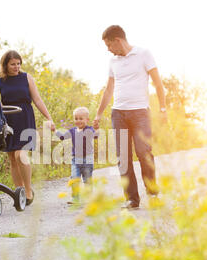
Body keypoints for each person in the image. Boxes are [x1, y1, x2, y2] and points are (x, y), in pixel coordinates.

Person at [93, 25, 167, 210]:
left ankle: (153, 194)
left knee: (144, 152)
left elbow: (158, 83)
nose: (108, 49)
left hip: (140, 112)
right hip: (118, 113)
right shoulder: (113, 62)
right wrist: (98, 114)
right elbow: (108, 89)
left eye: (109, 45)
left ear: (118, 40)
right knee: (123, 158)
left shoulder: (144, 54)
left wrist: (163, 109)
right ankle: (132, 199)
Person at [0, 50, 55, 205]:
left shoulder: (27, 77)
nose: (16, 67)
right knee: (13, 158)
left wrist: (49, 118)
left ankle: (28, 191)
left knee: (21, 155)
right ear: (5, 65)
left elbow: (37, 99)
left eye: (18, 64)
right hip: (8, 119)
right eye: (13, 64)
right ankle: (18, 192)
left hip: (25, 117)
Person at [56, 107, 99, 203]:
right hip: (75, 160)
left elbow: (96, 136)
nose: (78, 121)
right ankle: (75, 198)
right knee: (74, 179)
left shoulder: (89, 129)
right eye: (76, 118)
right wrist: (55, 130)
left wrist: (96, 129)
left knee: (87, 180)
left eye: (81, 118)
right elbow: (62, 137)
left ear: (87, 120)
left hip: (88, 159)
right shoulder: (72, 131)